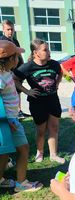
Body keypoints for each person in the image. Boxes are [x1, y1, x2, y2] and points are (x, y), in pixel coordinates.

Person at [0, 40, 43, 192]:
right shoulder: (1, 78)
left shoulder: (7, 73)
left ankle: (1, 179)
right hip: (8, 121)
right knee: (23, 149)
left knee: (4, 152)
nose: (19, 59)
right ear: (10, 59)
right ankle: (21, 183)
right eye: (17, 56)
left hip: (9, 120)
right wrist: (5, 121)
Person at [13, 39, 65, 164]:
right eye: (45, 50)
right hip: (37, 102)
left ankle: (53, 154)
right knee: (41, 130)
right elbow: (15, 79)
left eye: (48, 49)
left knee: (54, 127)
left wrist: (57, 84)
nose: (48, 52)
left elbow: (61, 73)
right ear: (36, 53)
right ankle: (39, 152)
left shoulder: (54, 64)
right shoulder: (27, 67)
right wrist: (27, 91)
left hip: (53, 100)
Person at [0, 19, 27, 119]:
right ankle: (9, 114)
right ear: (3, 30)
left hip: (17, 69)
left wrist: (23, 68)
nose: (10, 32)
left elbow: (19, 55)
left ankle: (19, 111)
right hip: (8, 71)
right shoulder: (2, 42)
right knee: (9, 91)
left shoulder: (15, 41)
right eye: (8, 29)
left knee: (16, 91)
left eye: (12, 29)